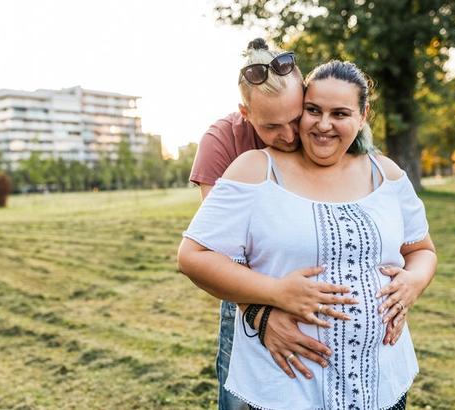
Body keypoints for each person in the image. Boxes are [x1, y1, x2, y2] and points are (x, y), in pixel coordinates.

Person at [179, 60, 437, 409]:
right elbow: (194, 256)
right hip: (287, 389)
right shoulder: (255, 170)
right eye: (313, 110)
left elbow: (422, 249)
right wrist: (274, 296)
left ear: (363, 116)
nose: (324, 124)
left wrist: (413, 282)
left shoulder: (387, 174)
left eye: (340, 113)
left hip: (382, 382)